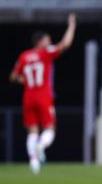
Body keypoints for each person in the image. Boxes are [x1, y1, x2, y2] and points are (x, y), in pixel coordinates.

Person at [10, 13, 76, 174]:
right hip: (43, 95)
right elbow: (65, 44)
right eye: (47, 40)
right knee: (50, 128)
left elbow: (12, 77)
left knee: (32, 130)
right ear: (40, 42)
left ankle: (33, 162)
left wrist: (24, 80)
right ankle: (41, 146)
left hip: (28, 96)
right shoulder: (45, 53)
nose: (49, 42)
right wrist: (72, 25)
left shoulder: (24, 56)